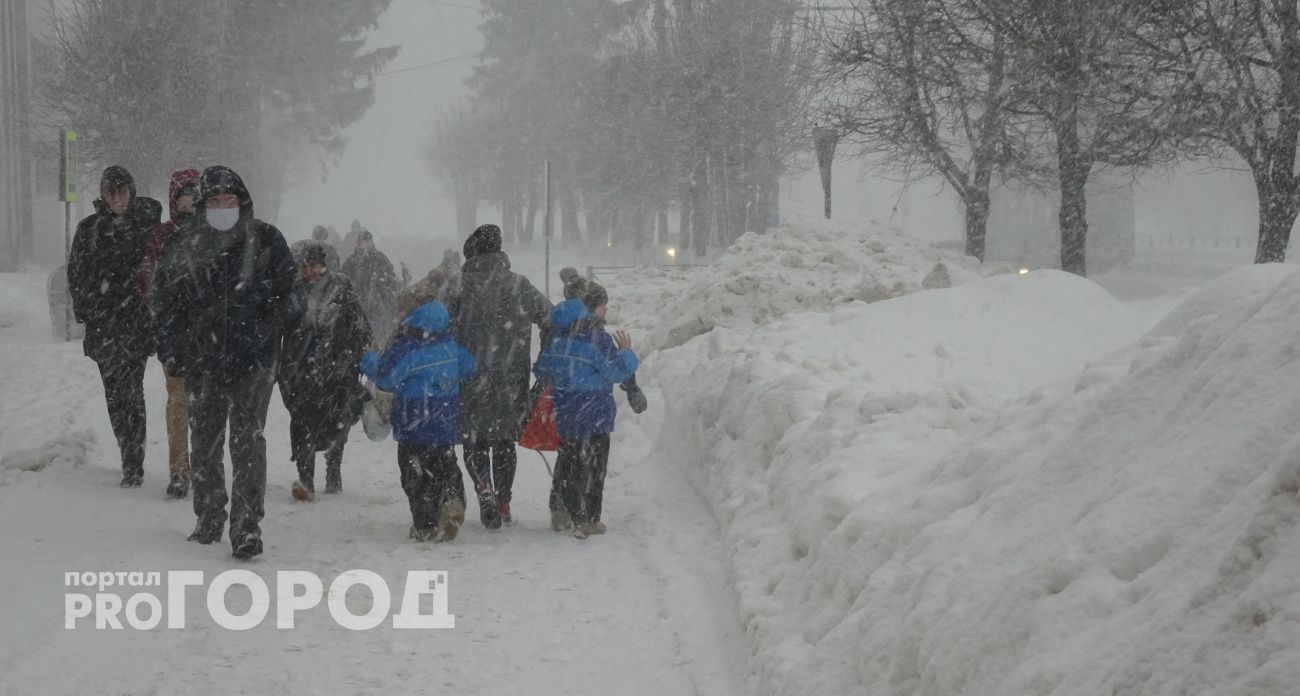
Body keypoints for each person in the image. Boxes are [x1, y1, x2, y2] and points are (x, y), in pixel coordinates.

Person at [152, 165, 296, 560]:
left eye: (229, 200)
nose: (222, 208)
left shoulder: (265, 239)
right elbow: (165, 304)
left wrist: (266, 334)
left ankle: (247, 526)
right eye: (214, 201)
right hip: (204, 361)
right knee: (206, 441)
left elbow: (288, 297)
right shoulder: (184, 247)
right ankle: (209, 516)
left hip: (254, 362)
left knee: (248, 441)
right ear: (201, 205)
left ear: (242, 201)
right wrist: (175, 350)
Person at [442, 223, 552, 528]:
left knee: (474, 441)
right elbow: (551, 318)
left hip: (468, 378)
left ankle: (484, 488)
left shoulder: (456, 286)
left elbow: (437, 328)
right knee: (504, 442)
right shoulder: (519, 284)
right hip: (510, 378)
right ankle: (503, 503)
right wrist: (545, 359)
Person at [68, 166, 162, 489]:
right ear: (103, 195)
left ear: (131, 192)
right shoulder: (89, 230)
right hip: (105, 327)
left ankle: (133, 462)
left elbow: (157, 269)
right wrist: (89, 311)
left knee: (132, 392)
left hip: (135, 325)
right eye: (112, 193)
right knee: (114, 397)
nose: (118, 199)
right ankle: (127, 446)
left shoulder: (147, 224)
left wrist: (148, 310)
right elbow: (76, 275)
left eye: (123, 192)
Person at [360, 301, 475, 542]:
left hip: (414, 419)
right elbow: (469, 367)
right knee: (445, 464)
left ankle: (425, 524)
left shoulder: (405, 347)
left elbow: (385, 379)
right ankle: (453, 500)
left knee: (414, 474)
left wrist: (369, 358)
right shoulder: (449, 346)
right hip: (445, 418)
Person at [533, 293, 638, 539]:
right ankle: (590, 518)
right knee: (595, 468)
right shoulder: (596, 343)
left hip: (568, 415)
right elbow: (617, 374)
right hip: (597, 414)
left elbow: (540, 370)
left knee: (571, 465)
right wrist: (626, 352)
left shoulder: (556, 346)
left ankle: (570, 514)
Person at [280, 241, 372, 501]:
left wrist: (365, 345)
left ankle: (334, 471)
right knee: (302, 423)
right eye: (302, 267)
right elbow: (278, 326)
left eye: (312, 266)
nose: (307, 272)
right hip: (299, 369)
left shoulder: (341, 285)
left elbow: (358, 320)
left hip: (339, 367)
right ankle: (306, 479)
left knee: (338, 421)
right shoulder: (290, 290)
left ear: (323, 265)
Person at [137, 168, 201, 498]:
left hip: (209, 335)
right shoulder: (161, 237)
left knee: (205, 405)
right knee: (178, 400)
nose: (189, 202)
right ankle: (180, 469)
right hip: (175, 332)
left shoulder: (214, 231)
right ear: (174, 199)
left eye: (194, 194)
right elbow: (148, 281)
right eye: (183, 195)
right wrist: (162, 317)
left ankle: (204, 465)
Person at [342, 229, 399, 339]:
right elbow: (346, 283)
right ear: (358, 243)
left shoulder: (381, 258)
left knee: (379, 336)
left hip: (379, 307)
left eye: (369, 241)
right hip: (359, 306)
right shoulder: (351, 262)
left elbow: (391, 280)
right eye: (364, 241)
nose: (367, 244)